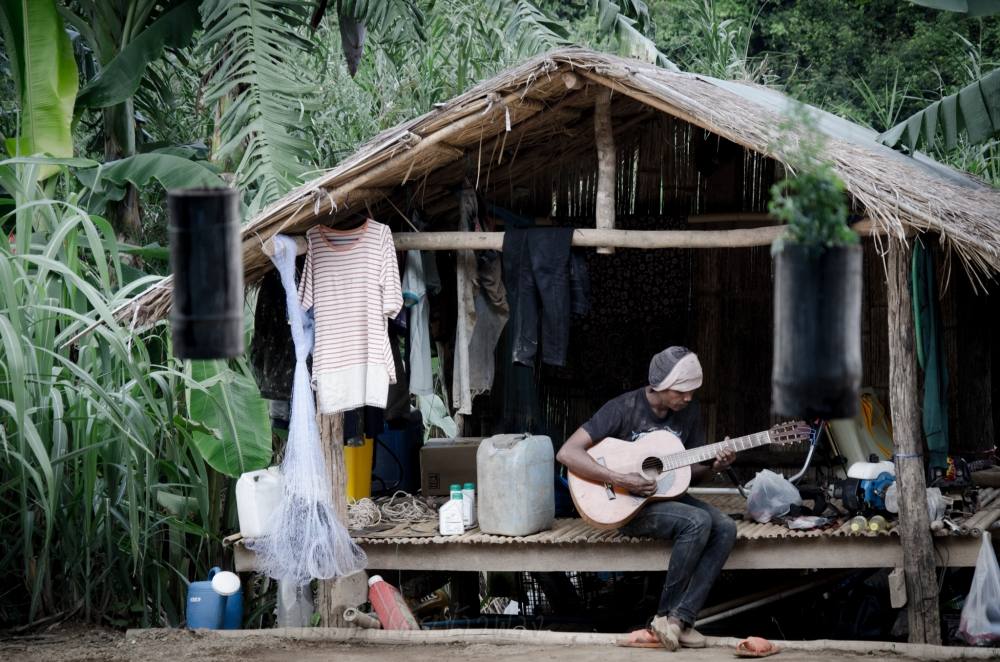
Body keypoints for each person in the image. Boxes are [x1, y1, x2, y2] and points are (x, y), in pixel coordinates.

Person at [556, 346, 737, 651]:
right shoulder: (623, 408)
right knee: (697, 521)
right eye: (682, 391)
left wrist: (715, 465)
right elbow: (567, 453)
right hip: (625, 506)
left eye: (692, 391)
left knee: (726, 527)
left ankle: (680, 620)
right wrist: (622, 479)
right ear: (661, 386)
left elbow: (688, 474)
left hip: (666, 498)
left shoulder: (688, 412)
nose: (689, 398)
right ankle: (663, 616)